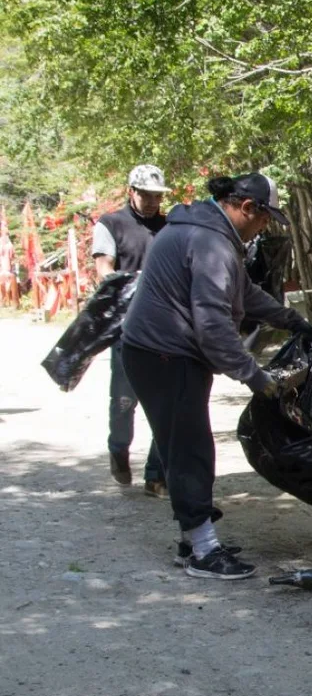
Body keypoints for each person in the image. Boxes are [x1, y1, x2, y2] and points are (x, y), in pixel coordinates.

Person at [120, 173, 312, 580]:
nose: (265, 228)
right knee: (190, 450)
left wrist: (290, 319)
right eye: (265, 220)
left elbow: (243, 293)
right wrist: (254, 376)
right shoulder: (210, 241)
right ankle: (203, 553)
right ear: (247, 208)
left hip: (159, 353)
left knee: (183, 446)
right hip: (164, 355)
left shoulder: (211, 234)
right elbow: (212, 325)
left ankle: (192, 539)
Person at [92, 164, 170, 495]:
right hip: (128, 327)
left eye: (157, 196)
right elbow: (104, 269)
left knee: (166, 403)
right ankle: (119, 449)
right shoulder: (111, 224)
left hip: (166, 328)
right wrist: (134, 285)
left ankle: (156, 475)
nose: (152, 202)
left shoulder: (170, 227)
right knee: (124, 400)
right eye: (146, 195)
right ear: (131, 192)